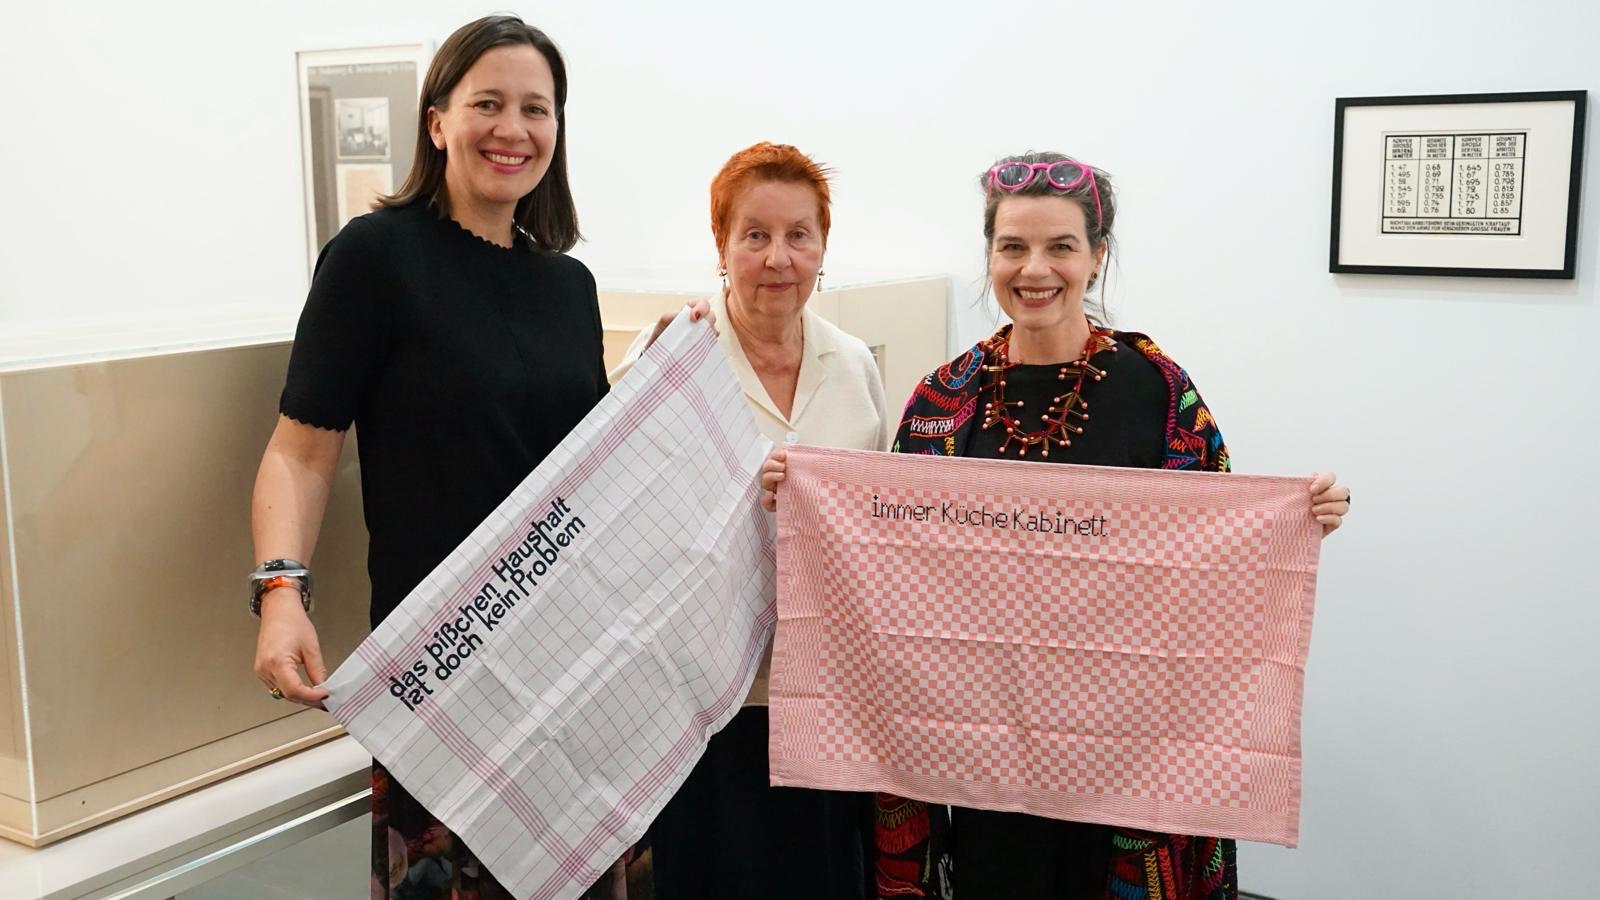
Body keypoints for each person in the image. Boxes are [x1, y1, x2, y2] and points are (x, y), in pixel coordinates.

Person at [761, 151, 1351, 899]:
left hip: (1130, 745)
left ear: (1097, 257)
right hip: (980, 754)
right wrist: (806, 500)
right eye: (1012, 247)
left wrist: (1301, 521)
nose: (1034, 269)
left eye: (1060, 247)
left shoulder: (1157, 391)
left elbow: (1220, 540)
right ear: (990, 256)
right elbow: (886, 553)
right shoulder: (946, 399)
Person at [249, 16, 704, 899]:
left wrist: (661, 388)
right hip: (445, 678)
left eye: (536, 108)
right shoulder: (375, 258)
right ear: (436, 121)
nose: (513, 128)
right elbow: (299, 452)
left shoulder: (565, 286)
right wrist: (279, 595)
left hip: (573, 677)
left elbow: (576, 483)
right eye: (487, 103)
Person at [620, 142, 889, 899]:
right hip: (707, 696)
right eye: (756, 235)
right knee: (712, 873)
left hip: (824, 691)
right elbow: (618, 513)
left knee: (825, 875)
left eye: (799, 235)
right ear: (722, 245)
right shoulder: (674, 354)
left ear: (823, 249)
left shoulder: (853, 363)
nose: (779, 258)